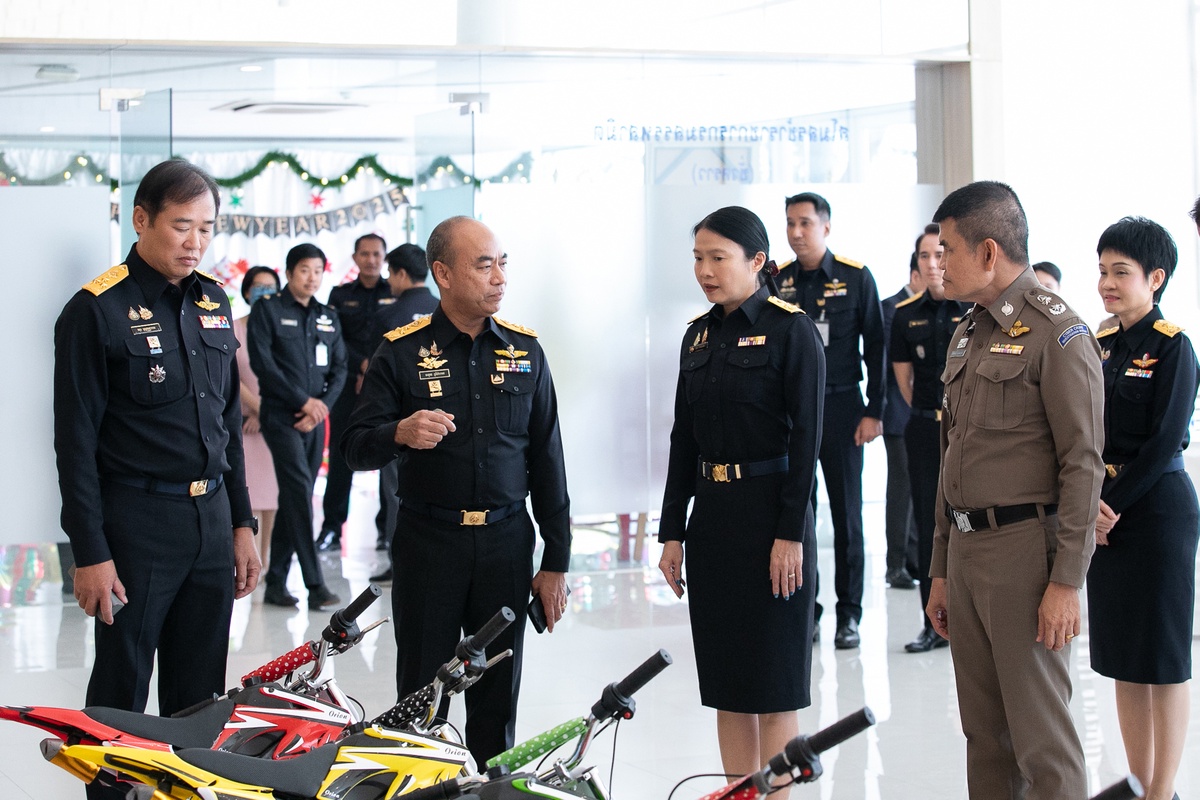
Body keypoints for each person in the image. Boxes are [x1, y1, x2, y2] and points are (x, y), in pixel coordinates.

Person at [52, 159, 261, 789]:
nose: (195, 242)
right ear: (141, 220)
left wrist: (243, 524)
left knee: (200, 699)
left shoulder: (216, 302)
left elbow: (226, 430)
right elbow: (75, 443)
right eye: (180, 226)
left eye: (206, 228)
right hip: (136, 523)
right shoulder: (96, 310)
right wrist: (90, 551)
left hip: (210, 519)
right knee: (120, 695)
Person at [341, 216, 570, 765]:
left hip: (505, 545)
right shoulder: (401, 351)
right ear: (442, 273)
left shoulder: (525, 351)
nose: (499, 278)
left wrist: (556, 559)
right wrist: (398, 432)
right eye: (483, 264)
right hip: (428, 543)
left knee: (496, 697)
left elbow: (547, 459)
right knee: (423, 697)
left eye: (502, 263)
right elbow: (353, 445)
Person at [926, 181, 1103, 800]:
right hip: (968, 553)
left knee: (1041, 742)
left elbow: (1083, 465)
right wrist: (941, 567)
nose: (937, 262)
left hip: (1027, 554)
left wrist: (1066, 582)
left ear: (989, 252)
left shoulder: (1059, 334)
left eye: (947, 249)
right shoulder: (967, 332)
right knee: (985, 737)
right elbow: (952, 460)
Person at [658, 206, 825, 783]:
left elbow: (807, 443)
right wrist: (672, 531)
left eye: (718, 258)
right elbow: (684, 437)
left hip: (771, 516)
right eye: (698, 258)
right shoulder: (697, 336)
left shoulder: (791, 329)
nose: (705, 270)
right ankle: (739, 796)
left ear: (757, 261)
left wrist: (789, 534)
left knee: (775, 688)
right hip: (715, 521)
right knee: (729, 686)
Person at [1088, 216, 1198, 800]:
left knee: (1164, 656)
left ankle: (1163, 790)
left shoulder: (1174, 345)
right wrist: (1093, 510)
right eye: (1103, 270)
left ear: (1155, 278)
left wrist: (1108, 507)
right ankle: (1138, 782)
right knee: (1124, 658)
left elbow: (1163, 442)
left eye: (1121, 272)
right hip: (1105, 520)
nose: (1107, 282)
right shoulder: (1096, 346)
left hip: (1156, 514)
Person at [775, 191, 884, 649]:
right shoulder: (776, 280)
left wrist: (874, 411)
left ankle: (850, 614)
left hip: (842, 409)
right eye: (789, 224)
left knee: (847, 515)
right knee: (799, 514)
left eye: (804, 223)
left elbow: (877, 345)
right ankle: (809, 609)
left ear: (826, 226)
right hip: (793, 416)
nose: (796, 232)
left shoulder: (856, 279)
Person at [249, 243, 347, 611]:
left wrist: (320, 408)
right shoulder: (268, 309)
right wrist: (303, 402)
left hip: (316, 420)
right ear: (289, 272)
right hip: (282, 417)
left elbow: (340, 369)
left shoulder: (328, 317)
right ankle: (314, 584)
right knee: (298, 491)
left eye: (318, 270)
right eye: (305, 269)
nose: (312, 277)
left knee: (297, 497)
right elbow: (264, 365)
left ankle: (276, 583)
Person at [889, 224, 968, 653]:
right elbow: (905, 382)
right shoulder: (904, 315)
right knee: (926, 522)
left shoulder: (974, 311)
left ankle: (968, 620)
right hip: (924, 429)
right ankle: (930, 621)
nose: (934, 264)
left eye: (940, 254)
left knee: (968, 522)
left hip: (967, 433)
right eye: (925, 257)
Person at [369, 243, 439, 583]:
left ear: (399, 273)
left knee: (398, 492)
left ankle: (402, 563)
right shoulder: (445, 310)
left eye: (390, 274)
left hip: (398, 424)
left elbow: (373, 373)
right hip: (443, 421)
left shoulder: (387, 316)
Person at [319, 233, 392, 552]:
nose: (371, 260)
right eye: (365, 254)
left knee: (389, 453)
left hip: (385, 386)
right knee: (341, 455)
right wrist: (361, 365)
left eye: (377, 254)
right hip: (347, 384)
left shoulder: (396, 292)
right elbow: (333, 337)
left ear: (384, 258)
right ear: (355, 258)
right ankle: (332, 528)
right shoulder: (340, 294)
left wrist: (373, 368)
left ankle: (385, 528)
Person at [880, 250, 924, 590]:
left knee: (918, 491)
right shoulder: (892, 308)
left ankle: (913, 560)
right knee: (901, 492)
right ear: (914, 275)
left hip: (923, 414)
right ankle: (896, 564)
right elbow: (883, 367)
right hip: (898, 414)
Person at [235, 266, 281, 569]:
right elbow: (229, 377)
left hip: (276, 425)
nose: (265, 292)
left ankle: (265, 561)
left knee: (274, 497)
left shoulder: (282, 327)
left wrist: (268, 414)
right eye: (259, 286)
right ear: (248, 291)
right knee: (249, 495)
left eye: (271, 287)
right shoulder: (233, 326)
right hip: (244, 424)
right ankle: (247, 561)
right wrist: (259, 410)